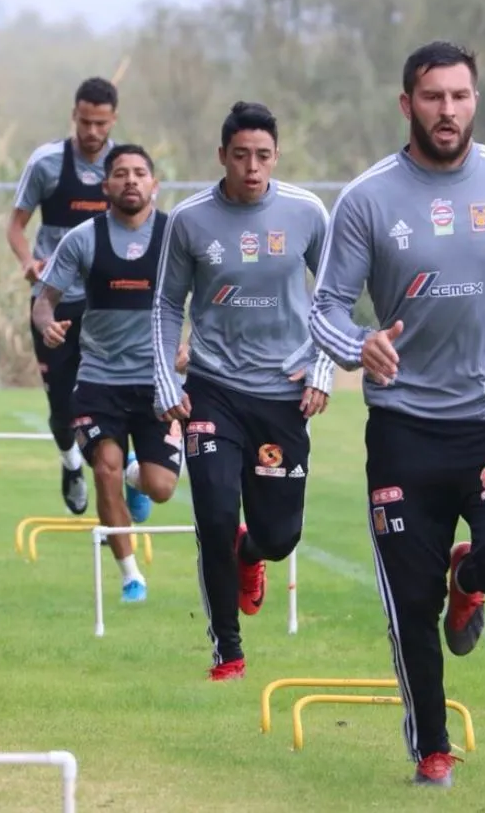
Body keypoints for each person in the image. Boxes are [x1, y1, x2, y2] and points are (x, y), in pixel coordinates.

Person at [308, 41, 485, 786]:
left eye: (459, 96)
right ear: (407, 104)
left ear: (475, 100)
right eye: (432, 97)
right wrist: (358, 345)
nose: (447, 110)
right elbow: (325, 307)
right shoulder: (367, 199)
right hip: (404, 427)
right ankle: (431, 748)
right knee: (410, 604)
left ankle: (473, 578)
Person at [152, 102, 333, 681]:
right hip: (214, 388)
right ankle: (227, 650)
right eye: (240, 156)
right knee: (214, 512)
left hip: (282, 392)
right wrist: (165, 379)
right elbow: (166, 304)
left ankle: (251, 552)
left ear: (276, 157)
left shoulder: (306, 212)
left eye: (262, 156)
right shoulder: (189, 220)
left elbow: (335, 293)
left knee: (280, 537)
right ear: (221, 156)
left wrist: (322, 366)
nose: (251, 168)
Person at [32, 144, 181, 603]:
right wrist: (47, 325)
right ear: (106, 186)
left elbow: (208, 295)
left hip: (157, 381)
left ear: (155, 184)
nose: (130, 180)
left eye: (139, 173)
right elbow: (44, 299)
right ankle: (130, 576)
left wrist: (192, 344)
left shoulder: (176, 235)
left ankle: (139, 473)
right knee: (104, 469)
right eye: (120, 173)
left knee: (160, 488)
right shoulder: (83, 238)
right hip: (99, 378)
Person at [7, 77, 134, 519]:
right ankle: (70, 462)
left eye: (101, 123)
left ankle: (129, 472)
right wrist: (28, 261)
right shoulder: (46, 163)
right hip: (54, 299)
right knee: (62, 405)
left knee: (120, 390)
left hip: (107, 301)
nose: (92, 131)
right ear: (74, 116)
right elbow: (16, 226)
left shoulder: (125, 168)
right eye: (85, 122)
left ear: (114, 119)